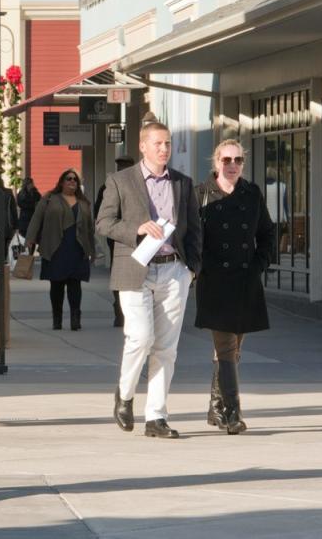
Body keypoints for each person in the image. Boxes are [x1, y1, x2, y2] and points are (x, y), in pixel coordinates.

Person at [95, 122, 202, 439]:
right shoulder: (120, 181)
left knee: (166, 348)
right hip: (135, 267)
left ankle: (156, 417)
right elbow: (103, 223)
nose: (164, 149)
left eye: (167, 143)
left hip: (174, 270)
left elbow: (195, 228)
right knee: (140, 338)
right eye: (157, 143)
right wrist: (137, 229)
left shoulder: (182, 183)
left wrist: (192, 268)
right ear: (143, 146)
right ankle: (125, 394)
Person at [195, 140, 275, 435]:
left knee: (232, 351)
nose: (232, 165)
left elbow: (267, 234)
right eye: (226, 159)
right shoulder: (201, 195)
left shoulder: (252, 193)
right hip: (215, 282)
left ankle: (215, 408)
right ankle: (231, 413)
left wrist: (258, 266)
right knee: (226, 349)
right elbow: (190, 237)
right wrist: (198, 267)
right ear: (215, 162)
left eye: (238, 160)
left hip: (245, 280)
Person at [26, 169, 95, 331]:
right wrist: (30, 238)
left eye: (75, 180)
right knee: (56, 285)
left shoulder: (83, 202)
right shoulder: (49, 199)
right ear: (61, 182)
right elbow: (37, 218)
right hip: (55, 246)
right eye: (68, 179)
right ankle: (57, 318)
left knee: (75, 284)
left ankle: (75, 318)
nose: (72, 182)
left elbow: (89, 228)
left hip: (77, 247)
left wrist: (91, 249)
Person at [94, 156, 137, 328]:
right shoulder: (108, 186)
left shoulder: (141, 184)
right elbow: (100, 215)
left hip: (139, 237)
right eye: (121, 166)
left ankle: (127, 312)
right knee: (119, 274)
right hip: (118, 239)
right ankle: (120, 312)